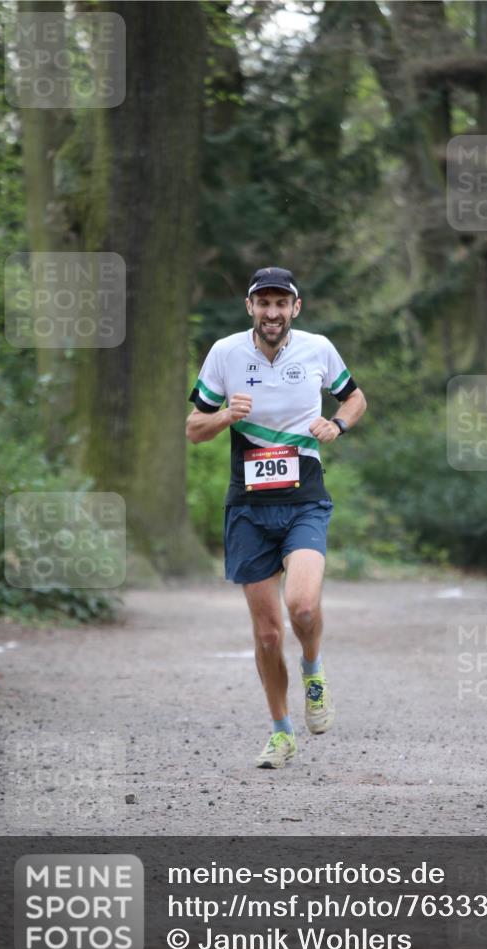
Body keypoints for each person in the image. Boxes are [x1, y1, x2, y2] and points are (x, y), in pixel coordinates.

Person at [186, 266, 366, 769]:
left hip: (304, 500)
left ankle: (313, 670)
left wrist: (337, 424)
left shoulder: (317, 348)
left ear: (295, 308)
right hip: (247, 508)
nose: (272, 312)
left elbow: (355, 397)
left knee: (303, 608)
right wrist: (225, 415)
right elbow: (193, 428)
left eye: (280, 304)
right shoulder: (225, 353)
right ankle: (281, 732)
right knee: (267, 635)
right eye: (263, 303)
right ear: (250, 307)